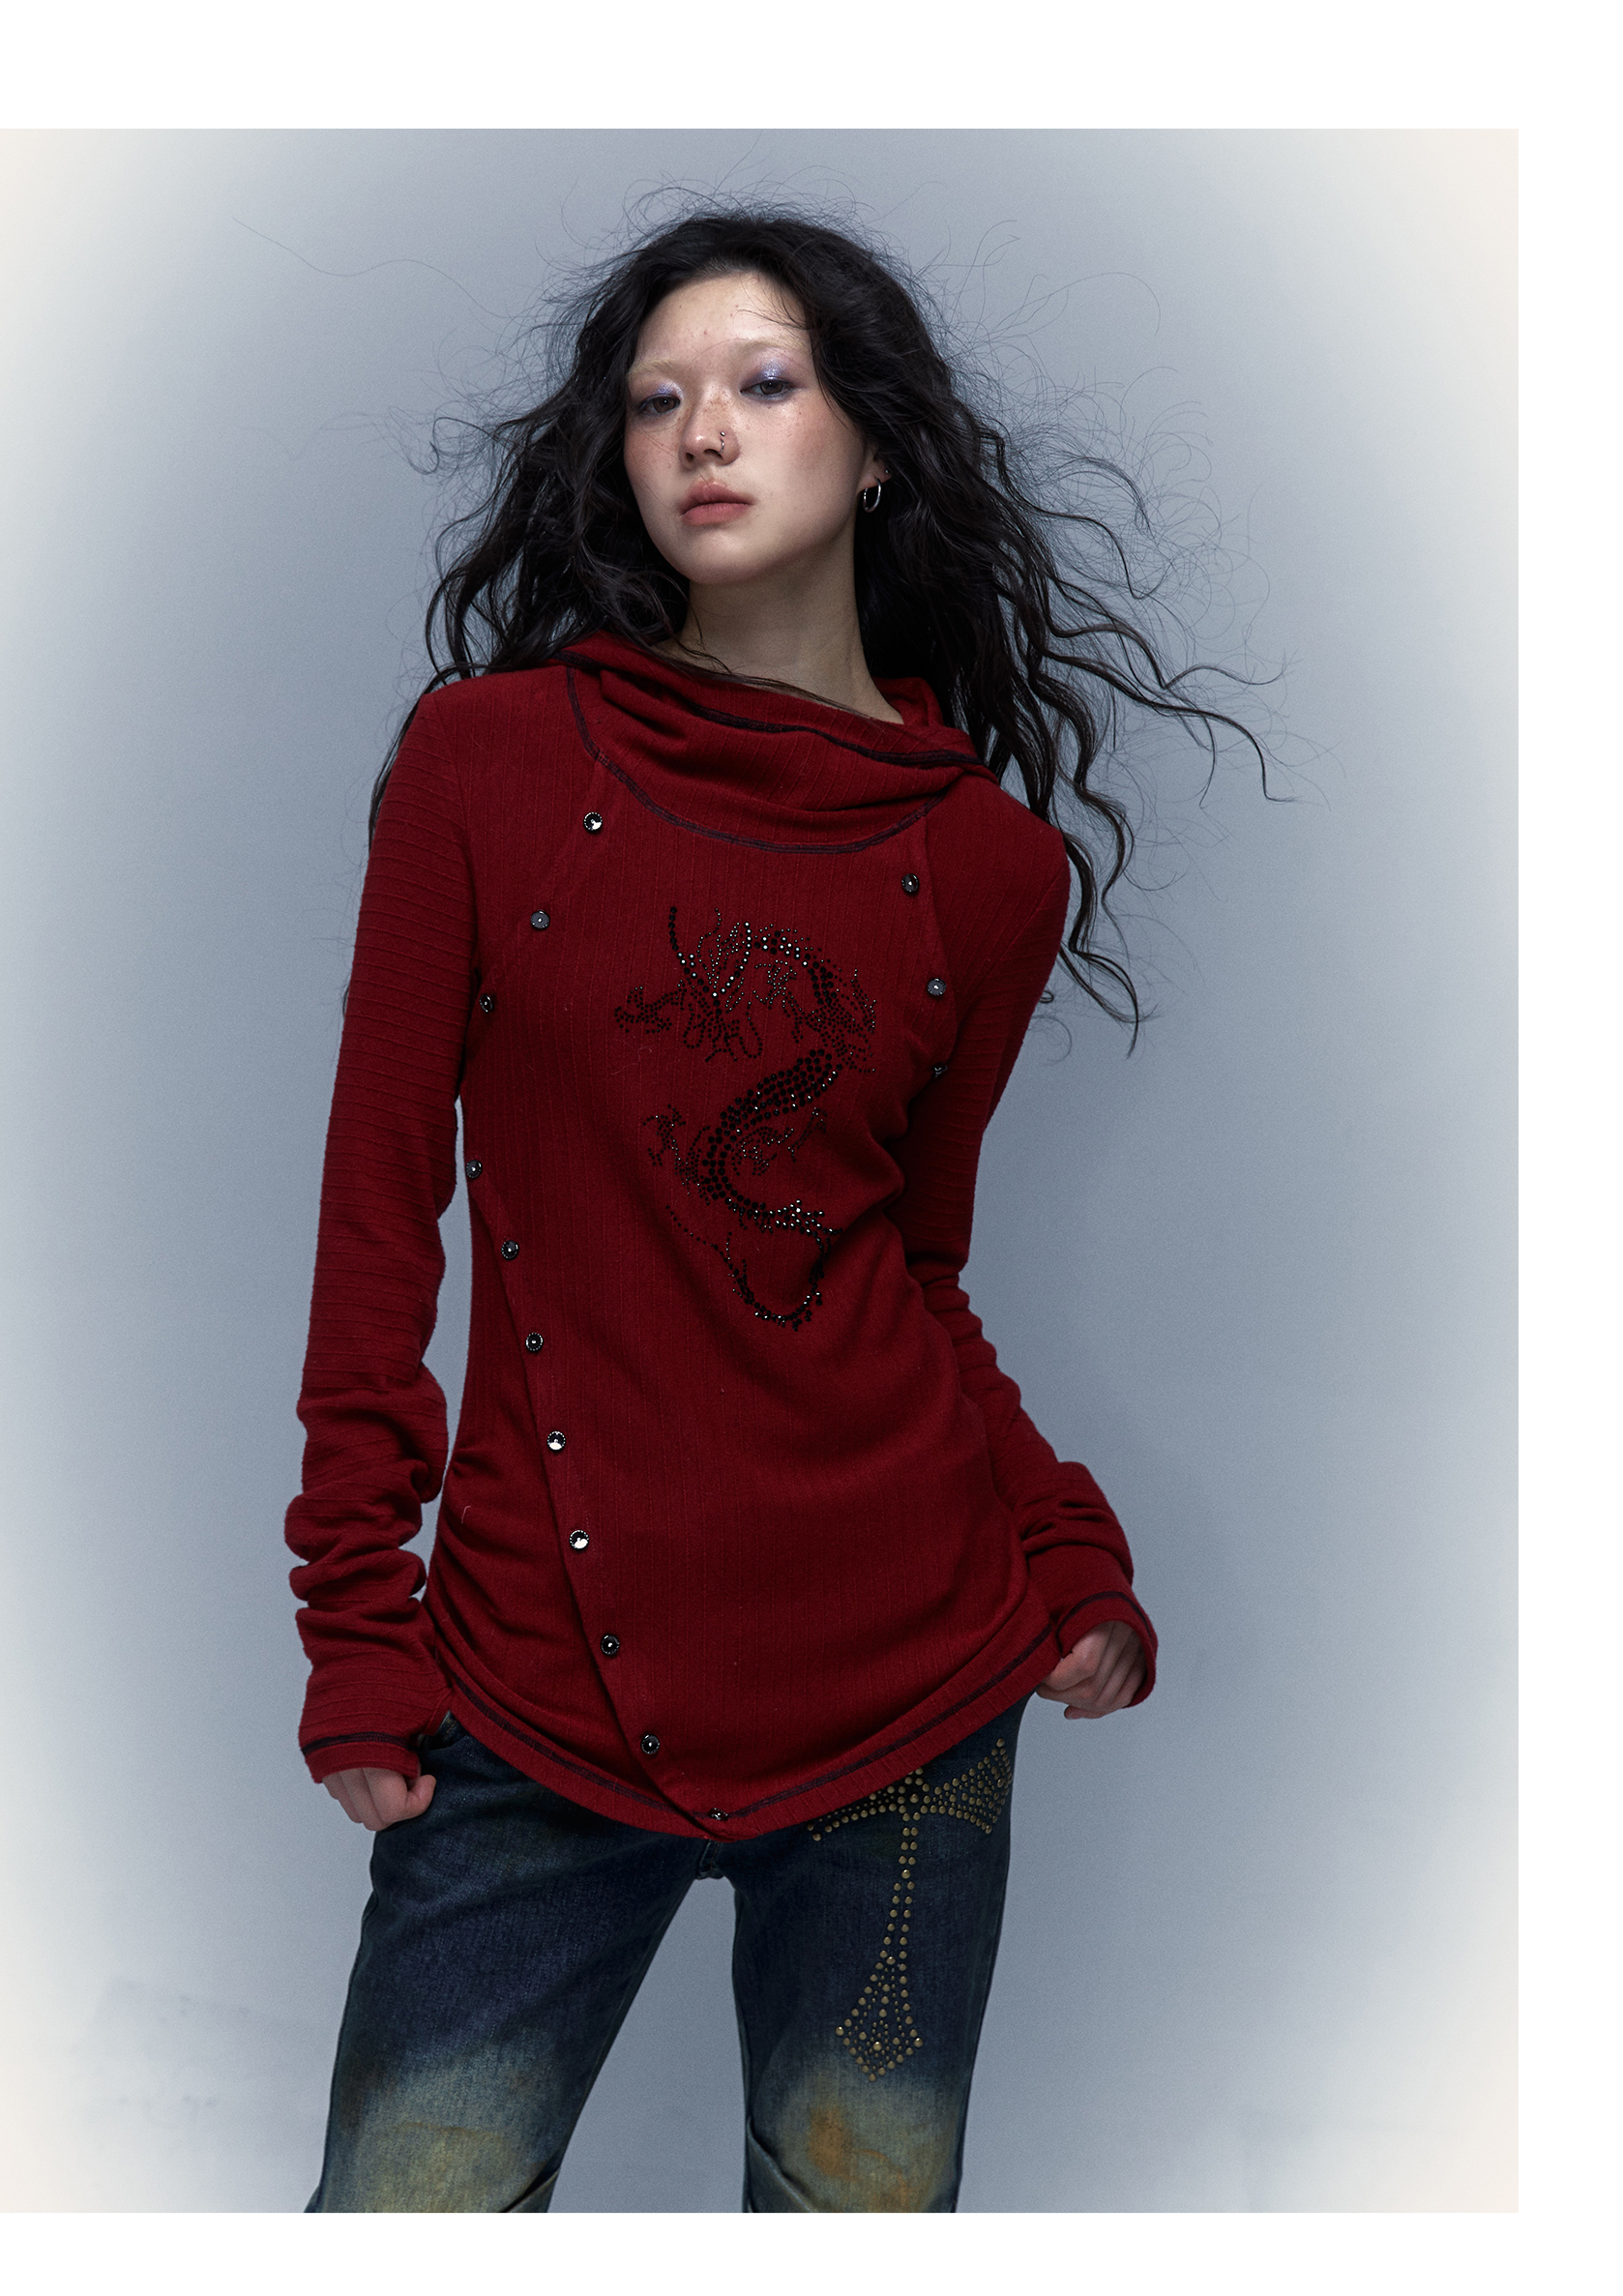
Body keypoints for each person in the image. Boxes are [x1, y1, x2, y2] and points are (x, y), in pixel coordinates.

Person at [286, 206, 1254, 2213]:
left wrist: (1055, 1535)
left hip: (909, 1703)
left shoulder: (985, 869)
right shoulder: (487, 764)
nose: (701, 433)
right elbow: (379, 1216)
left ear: (873, 443)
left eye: (762, 382)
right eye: (656, 401)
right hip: (532, 1685)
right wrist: (356, 1618)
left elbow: (900, 1268)